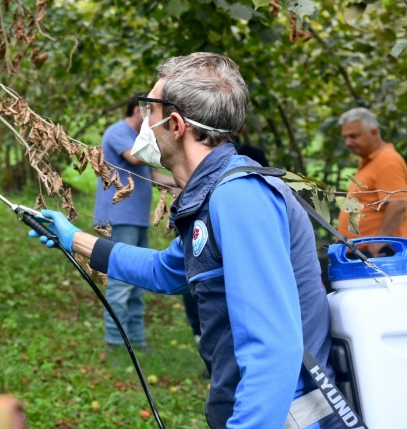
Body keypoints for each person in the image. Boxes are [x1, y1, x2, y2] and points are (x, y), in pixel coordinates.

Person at [30, 53, 343, 429]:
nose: (143, 123)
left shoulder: (238, 196)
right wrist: (73, 239)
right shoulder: (213, 194)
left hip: (283, 415)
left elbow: (273, 350)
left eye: (149, 110)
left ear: (175, 124)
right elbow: (166, 271)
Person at [94, 94, 176, 351]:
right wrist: (172, 150)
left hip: (137, 221)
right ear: (139, 112)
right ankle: (115, 345)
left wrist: (184, 179)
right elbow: (135, 159)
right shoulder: (119, 132)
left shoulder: (137, 138)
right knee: (120, 283)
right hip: (119, 219)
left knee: (137, 282)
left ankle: (138, 343)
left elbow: (152, 174)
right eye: (153, 113)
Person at [336, 107, 407, 257]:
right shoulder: (370, 161)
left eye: (354, 136)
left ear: (374, 133)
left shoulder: (388, 161)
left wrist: (378, 243)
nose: (348, 142)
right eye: (345, 137)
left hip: (378, 254)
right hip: (362, 252)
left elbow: (399, 204)